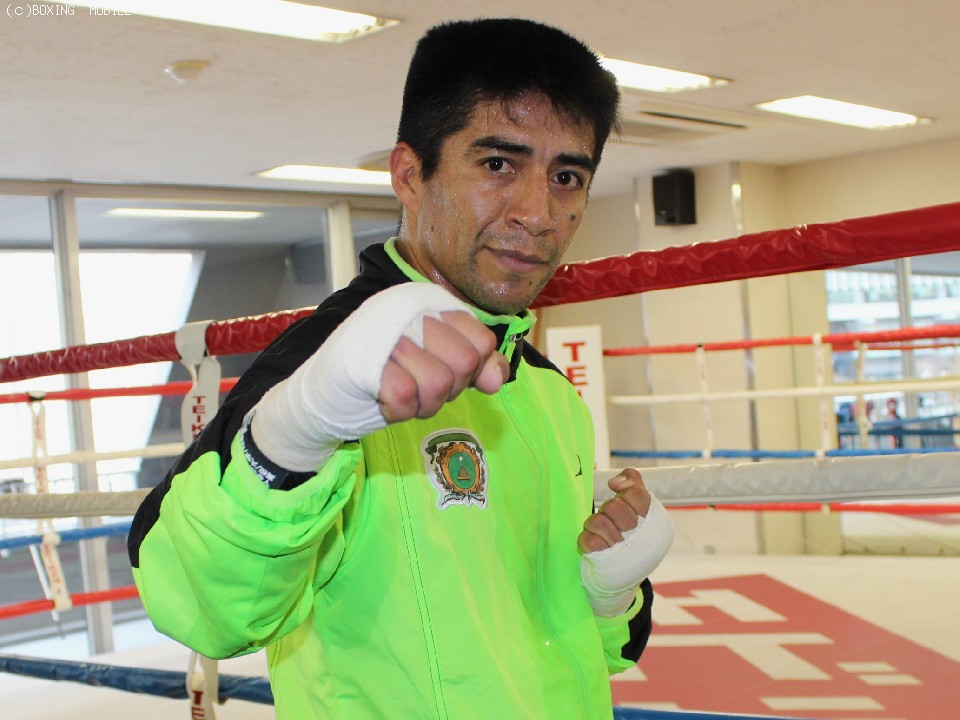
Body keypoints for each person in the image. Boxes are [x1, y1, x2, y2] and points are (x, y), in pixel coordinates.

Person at [128, 18, 674, 720]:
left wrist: (611, 593)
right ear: (410, 175)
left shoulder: (547, 391)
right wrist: (291, 436)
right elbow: (203, 610)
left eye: (567, 176)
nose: (539, 214)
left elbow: (570, 649)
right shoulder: (321, 368)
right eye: (498, 165)